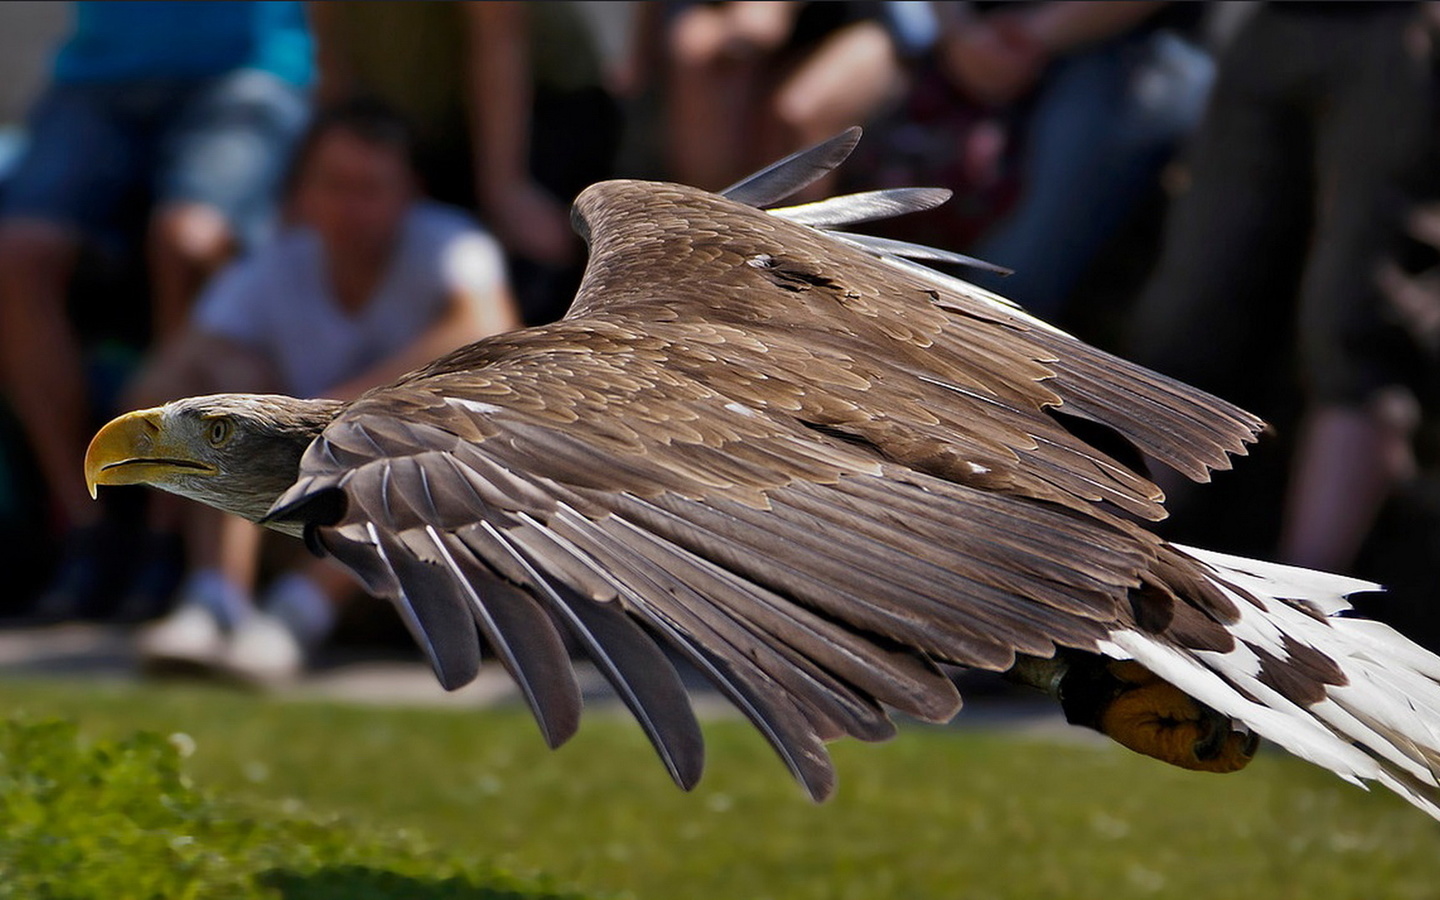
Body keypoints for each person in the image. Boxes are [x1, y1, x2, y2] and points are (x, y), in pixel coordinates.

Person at [127, 100, 522, 684]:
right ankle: (214, 602)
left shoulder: (450, 245)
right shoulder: (273, 266)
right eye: (333, 185)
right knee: (230, 405)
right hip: (289, 513)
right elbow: (160, 379)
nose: (349, 208)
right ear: (302, 193)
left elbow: (493, 330)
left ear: (408, 192)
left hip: (425, 519)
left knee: (400, 436)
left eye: (369, 188)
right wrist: (235, 385)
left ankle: (293, 619)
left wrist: (331, 411)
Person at [0, 1, 312, 616]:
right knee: (15, 254)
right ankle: (86, 530)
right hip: (96, 76)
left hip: (245, 70)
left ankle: (168, 526)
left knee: (186, 242)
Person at [1125, 2, 1435, 573]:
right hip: (1271, 24)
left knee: (1356, 321)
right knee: (1189, 309)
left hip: (1405, 31)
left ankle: (1309, 600)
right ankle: (1114, 553)